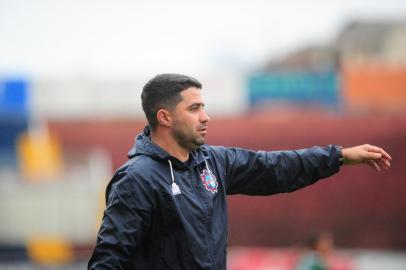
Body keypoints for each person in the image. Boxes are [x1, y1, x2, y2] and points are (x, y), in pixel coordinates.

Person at [88, 74, 391, 270]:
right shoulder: (137, 179)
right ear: (165, 117)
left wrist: (338, 156)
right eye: (194, 109)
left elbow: (275, 167)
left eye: (204, 106)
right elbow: (108, 259)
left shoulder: (213, 162)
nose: (206, 116)